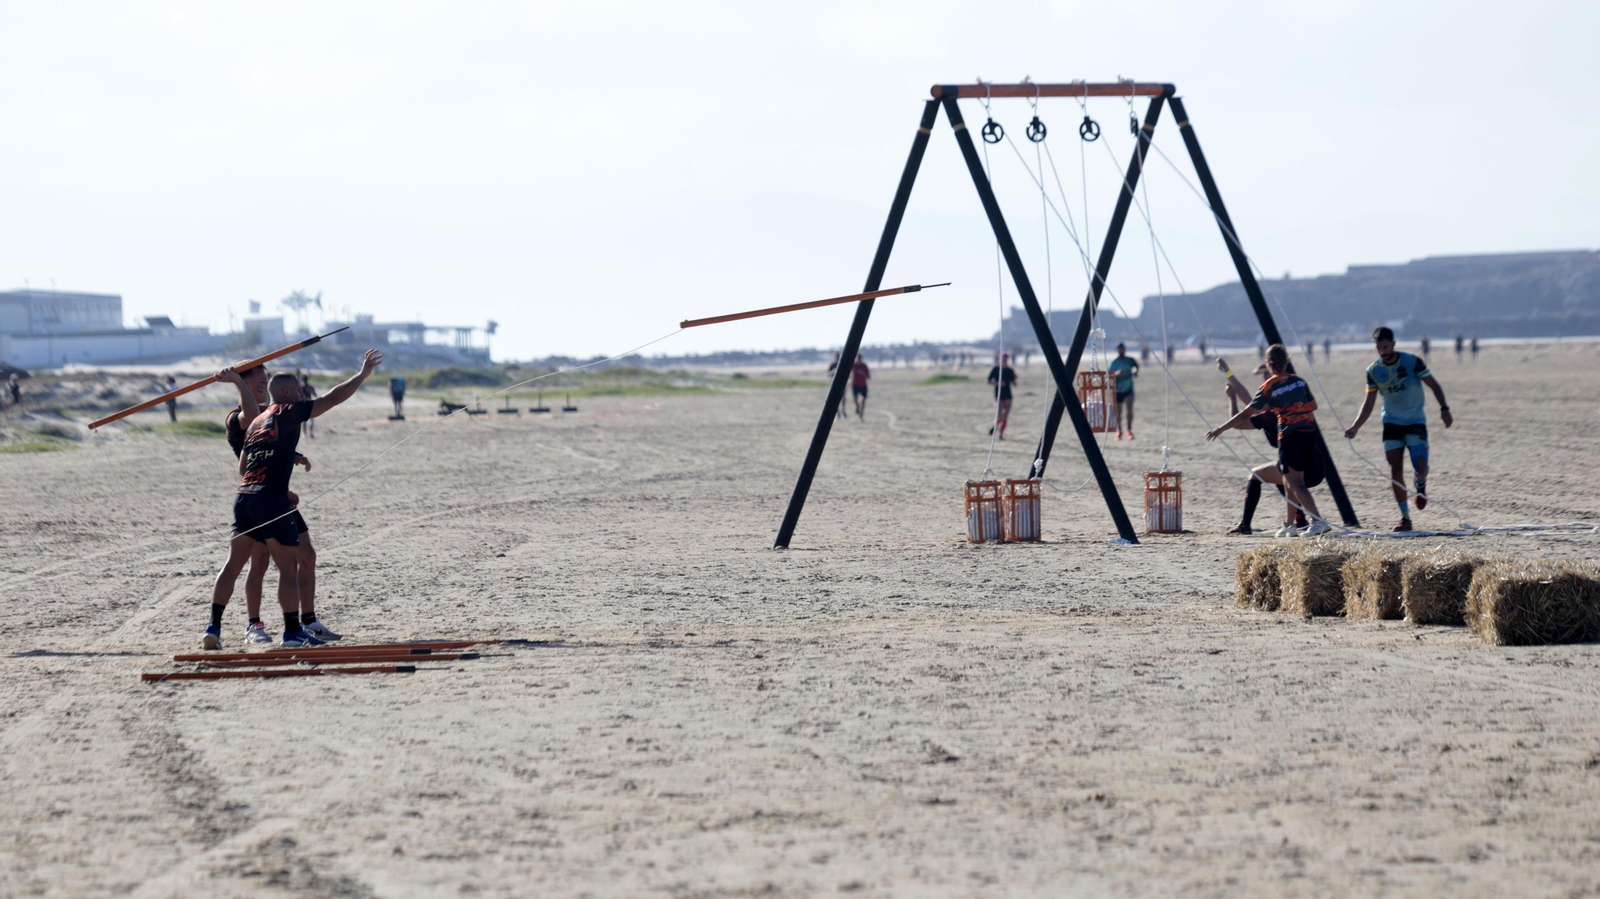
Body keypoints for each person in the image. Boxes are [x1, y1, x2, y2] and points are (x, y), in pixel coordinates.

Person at [205, 350, 382, 649]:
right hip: (271, 500)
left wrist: (288, 458)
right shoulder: (286, 410)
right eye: (299, 389)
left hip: (245, 497)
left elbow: (243, 467)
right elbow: (334, 398)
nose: (303, 394)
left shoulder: (257, 419)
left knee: (233, 564)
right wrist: (362, 375)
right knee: (287, 567)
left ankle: (213, 627)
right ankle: (290, 632)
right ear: (287, 393)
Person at [224, 365, 338, 645]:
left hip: (278, 494)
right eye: (258, 382)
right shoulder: (239, 416)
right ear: (243, 384)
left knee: (307, 555)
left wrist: (294, 455)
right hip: (257, 495)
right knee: (260, 564)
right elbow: (251, 423)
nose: (264, 385)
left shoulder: (271, 411)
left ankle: (308, 621)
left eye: (266, 381)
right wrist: (238, 382)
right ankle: (254, 625)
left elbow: (275, 443)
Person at [1206, 344, 1332, 537]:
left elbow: (1246, 411)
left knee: (1290, 482)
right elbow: (1312, 405)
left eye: (1264, 373)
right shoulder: (1299, 382)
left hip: (1292, 441)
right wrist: (1228, 373)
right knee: (1289, 481)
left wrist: (1220, 428)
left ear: (1269, 364)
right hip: (1311, 441)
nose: (1264, 378)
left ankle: (1317, 520)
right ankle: (1291, 524)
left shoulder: (1269, 397)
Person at [1343, 326, 1452, 532]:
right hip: (1391, 423)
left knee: (1420, 467)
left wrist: (1444, 409)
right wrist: (1356, 426)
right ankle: (1405, 518)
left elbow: (1434, 385)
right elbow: (1368, 403)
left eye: (1385, 347)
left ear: (1393, 344)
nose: (1382, 351)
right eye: (1378, 348)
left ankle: (1420, 485)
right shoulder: (1373, 371)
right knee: (1395, 469)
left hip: (1415, 421)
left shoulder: (1413, 362)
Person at [1107, 343, 1138, 440]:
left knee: (1129, 408)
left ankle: (1129, 429)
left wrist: (1135, 372)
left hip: (1128, 388)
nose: (1122, 351)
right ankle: (1119, 430)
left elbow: (1135, 366)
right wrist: (1116, 374)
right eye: (1120, 349)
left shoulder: (1129, 360)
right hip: (1118, 390)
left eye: (1123, 349)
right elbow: (1108, 375)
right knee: (1118, 412)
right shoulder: (1114, 363)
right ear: (1117, 350)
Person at [986, 352, 1017, 439]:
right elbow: (988, 381)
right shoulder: (996, 369)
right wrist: (998, 383)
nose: (1004, 360)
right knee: (999, 414)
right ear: (999, 359)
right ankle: (995, 426)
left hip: (1008, 395)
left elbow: (1015, 384)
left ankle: (1000, 434)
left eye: (1006, 359)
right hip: (998, 395)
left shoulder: (1010, 370)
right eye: (1003, 359)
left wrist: (1016, 378)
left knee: (1006, 415)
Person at [825, 352, 847, 419]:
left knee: (843, 398)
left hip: (842, 383)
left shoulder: (843, 364)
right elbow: (828, 374)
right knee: (835, 399)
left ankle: (843, 410)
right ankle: (838, 413)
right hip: (834, 384)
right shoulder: (832, 364)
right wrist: (833, 372)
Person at [298, 370, 318, 439]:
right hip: (310, 403)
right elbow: (315, 395)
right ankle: (311, 433)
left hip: (303, 403)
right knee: (311, 419)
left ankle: (304, 434)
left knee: (304, 420)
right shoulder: (310, 387)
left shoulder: (300, 387)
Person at [850, 354, 870, 420]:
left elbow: (868, 377)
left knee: (863, 400)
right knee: (855, 399)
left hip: (863, 385)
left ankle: (861, 413)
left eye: (860, 359)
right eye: (857, 359)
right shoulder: (853, 365)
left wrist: (862, 373)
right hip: (855, 385)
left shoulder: (864, 366)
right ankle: (857, 406)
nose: (859, 360)